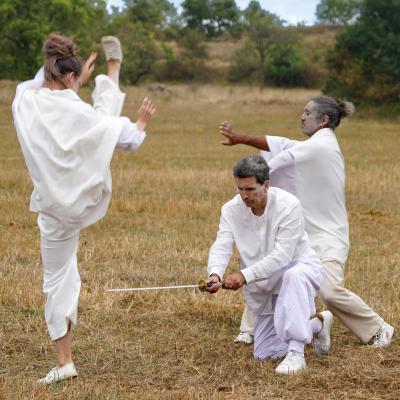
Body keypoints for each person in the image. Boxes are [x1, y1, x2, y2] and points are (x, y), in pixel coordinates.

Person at [12, 33, 156, 384]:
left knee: (57, 279)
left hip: (54, 208)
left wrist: (72, 77)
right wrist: (140, 123)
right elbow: (126, 139)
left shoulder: (24, 100)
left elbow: (37, 82)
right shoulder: (79, 111)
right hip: (80, 202)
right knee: (102, 120)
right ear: (73, 77)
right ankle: (113, 70)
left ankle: (64, 363)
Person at [218, 96, 394, 348]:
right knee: (270, 272)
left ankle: (379, 328)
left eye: (308, 113)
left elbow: (277, 160)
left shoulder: (321, 146)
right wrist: (241, 138)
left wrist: (251, 186)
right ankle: (251, 328)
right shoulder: (316, 144)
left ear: (323, 120)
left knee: (330, 292)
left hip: (327, 236)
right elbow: (280, 144)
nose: (302, 117)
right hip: (304, 233)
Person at [206, 155, 332, 375]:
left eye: (250, 189)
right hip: (262, 284)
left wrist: (244, 275)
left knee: (292, 276)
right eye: (240, 189)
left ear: (266, 185)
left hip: (298, 267)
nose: (244, 195)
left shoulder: (288, 205)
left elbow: (283, 255)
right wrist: (215, 273)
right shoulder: (230, 209)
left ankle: (296, 354)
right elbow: (222, 244)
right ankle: (318, 325)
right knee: (265, 353)